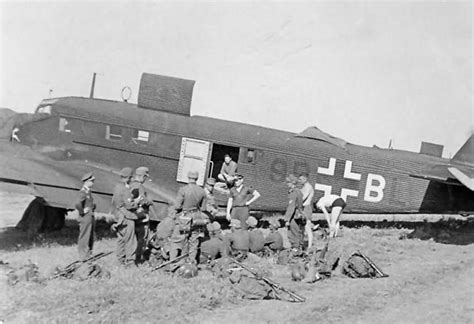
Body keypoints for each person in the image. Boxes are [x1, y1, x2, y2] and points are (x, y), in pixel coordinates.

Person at [174, 170, 209, 264]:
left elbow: (177, 206)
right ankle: (191, 262)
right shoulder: (202, 191)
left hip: (185, 217)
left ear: (188, 177)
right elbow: (203, 208)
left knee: (184, 239)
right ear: (197, 178)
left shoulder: (183, 189)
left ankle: (182, 260)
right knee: (194, 241)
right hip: (197, 217)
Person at [111, 167, 142, 266]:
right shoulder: (126, 189)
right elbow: (129, 205)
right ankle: (130, 262)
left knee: (121, 239)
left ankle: (120, 260)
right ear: (129, 178)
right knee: (131, 240)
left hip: (119, 216)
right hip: (127, 217)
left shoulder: (117, 187)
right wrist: (136, 202)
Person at [131, 166, 154, 263]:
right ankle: (138, 259)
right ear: (143, 176)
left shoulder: (131, 185)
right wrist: (150, 201)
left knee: (133, 238)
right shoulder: (140, 186)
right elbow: (142, 200)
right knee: (141, 238)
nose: (146, 179)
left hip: (133, 216)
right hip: (141, 216)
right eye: (146, 177)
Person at [75, 172, 96, 260]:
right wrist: (82, 212)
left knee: (90, 235)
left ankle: (88, 253)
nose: (93, 183)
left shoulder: (88, 191)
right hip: (85, 217)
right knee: (85, 236)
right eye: (92, 181)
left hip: (89, 216)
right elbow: (77, 203)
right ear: (87, 181)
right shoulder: (83, 192)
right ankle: (83, 255)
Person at [285, 174, 305, 252]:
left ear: (293, 183)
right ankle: (299, 246)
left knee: (293, 232)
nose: (287, 184)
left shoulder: (293, 193)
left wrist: (287, 219)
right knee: (298, 231)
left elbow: (291, 206)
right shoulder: (299, 191)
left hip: (294, 215)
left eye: (288, 182)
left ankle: (295, 248)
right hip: (299, 214)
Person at [298, 173, 315, 250]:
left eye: (300, 179)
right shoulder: (303, 187)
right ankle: (301, 244)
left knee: (307, 227)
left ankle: (310, 246)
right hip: (302, 208)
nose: (299, 181)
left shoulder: (308, 187)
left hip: (306, 208)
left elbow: (303, 197)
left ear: (305, 179)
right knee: (301, 228)